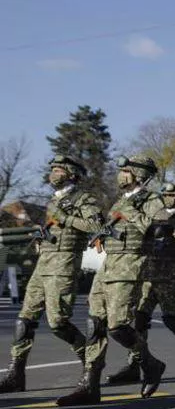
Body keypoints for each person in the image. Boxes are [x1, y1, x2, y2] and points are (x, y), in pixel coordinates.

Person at [58, 155, 167, 406]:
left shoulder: (151, 200)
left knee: (118, 327)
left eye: (126, 171)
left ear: (139, 175)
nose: (121, 175)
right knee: (94, 324)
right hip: (108, 266)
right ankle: (89, 385)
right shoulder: (121, 200)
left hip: (130, 265)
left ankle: (150, 364)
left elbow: (159, 227)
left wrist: (129, 214)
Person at [0, 156, 102, 393]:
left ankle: (90, 365)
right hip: (44, 262)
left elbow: (96, 226)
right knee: (25, 320)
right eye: (52, 169)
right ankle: (16, 374)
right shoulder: (53, 201)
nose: (53, 173)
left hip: (64, 264)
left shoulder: (83, 200)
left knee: (57, 322)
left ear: (71, 173)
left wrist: (67, 219)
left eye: (58, 169)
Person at [108, 182, 175, 384]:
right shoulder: (154, 216)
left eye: (172, 194)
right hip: (148, 272)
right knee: (139, 318)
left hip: (170, 275)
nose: (167, 196)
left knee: (171, 319)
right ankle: (136, 364)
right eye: (165, 193)